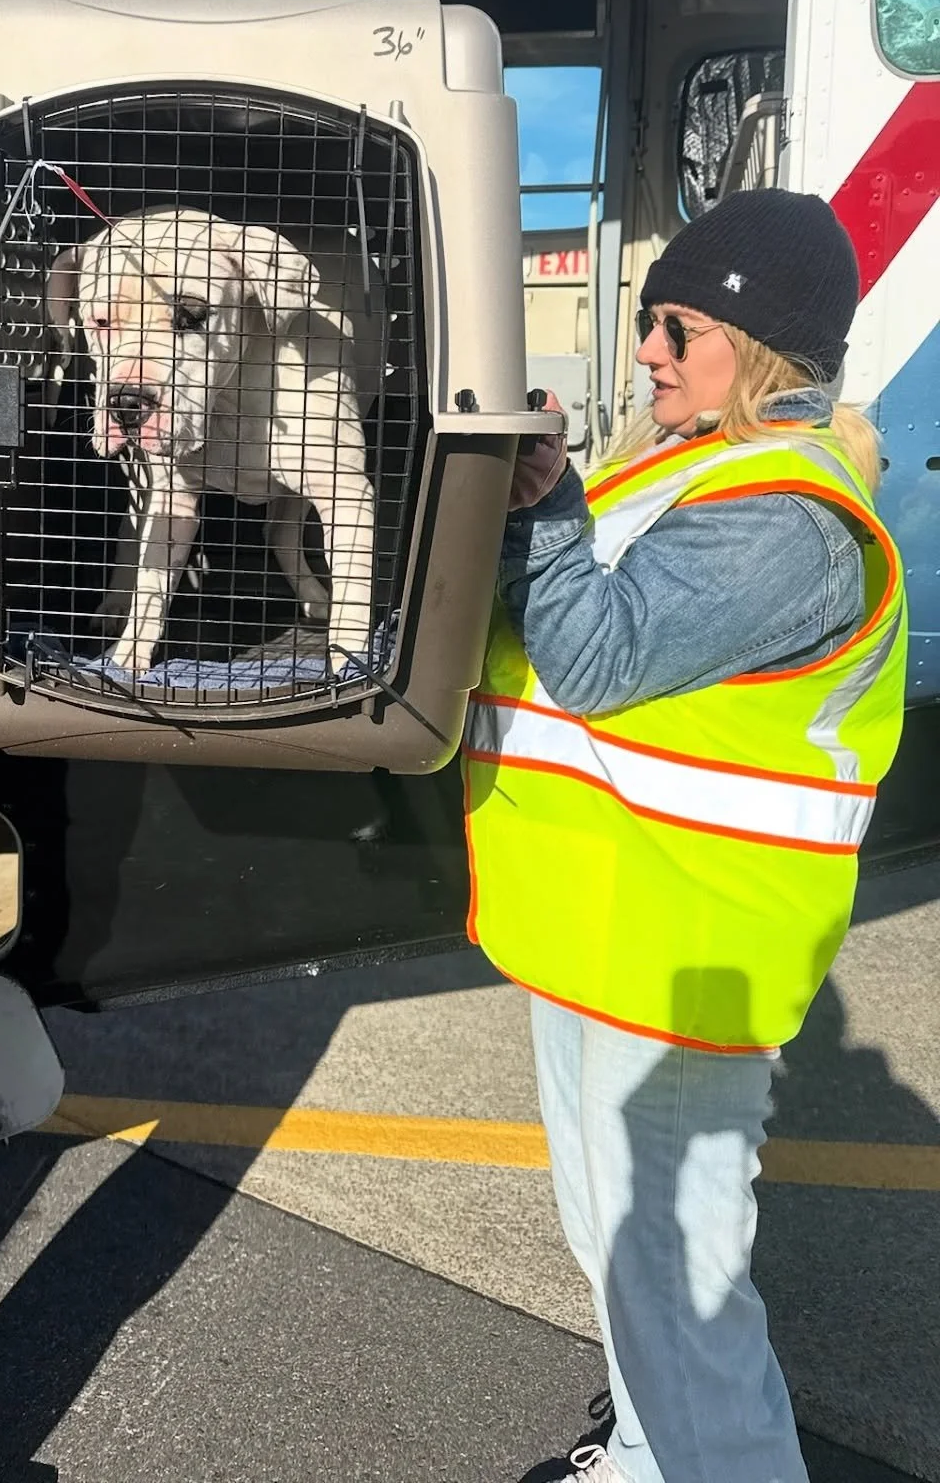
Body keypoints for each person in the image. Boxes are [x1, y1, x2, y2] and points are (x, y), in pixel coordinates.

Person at [464, 189, 907, 1483]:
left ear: (759, 348)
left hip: (688, 955)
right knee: (618, 1241)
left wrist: (543, 508)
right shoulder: (690, 460)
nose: (646, 349)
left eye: (676, 324)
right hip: (613, 927)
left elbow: (594, 657)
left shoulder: (791, 516)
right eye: (651, 321)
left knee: (679, 1282)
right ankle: (655, 1457)